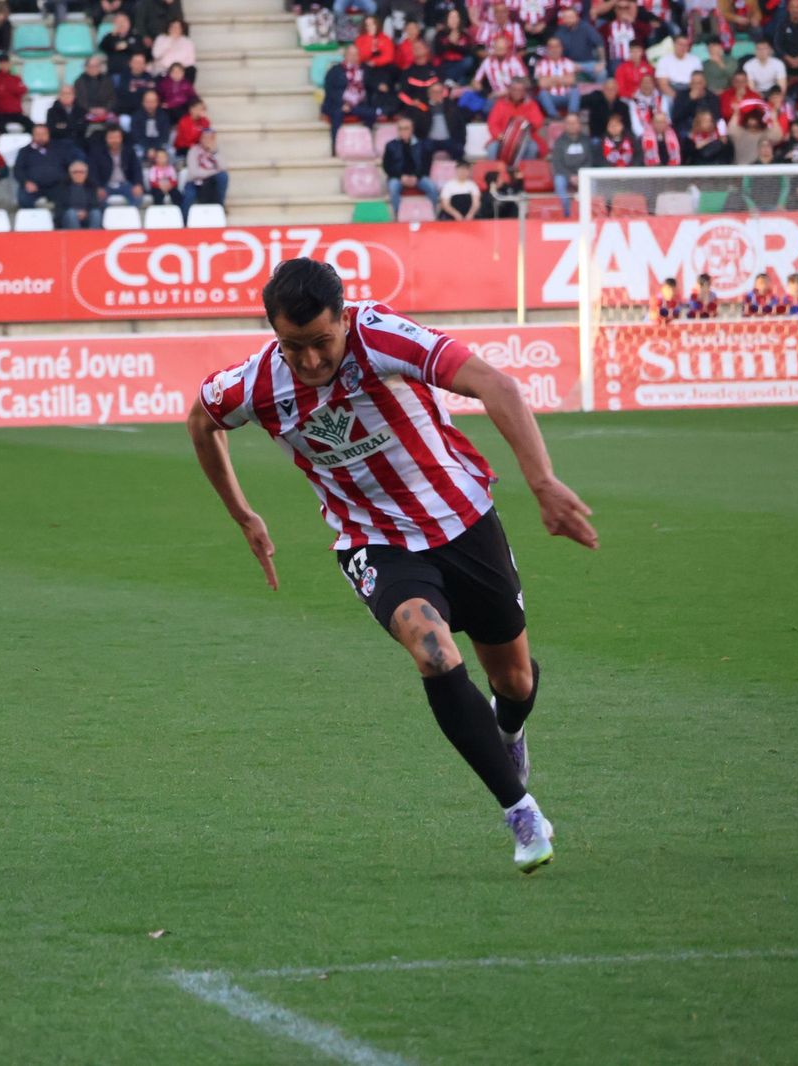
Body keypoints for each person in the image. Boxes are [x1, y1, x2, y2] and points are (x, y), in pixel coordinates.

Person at [186, 258, 597, 874]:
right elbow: (200, 420)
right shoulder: (255, 383)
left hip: (463, 519)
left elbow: (497, 385)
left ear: (344, 321)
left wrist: (541, 482)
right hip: (372, 540)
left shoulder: (383, 337)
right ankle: (520, 810)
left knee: (514, 682)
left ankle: (506, 735)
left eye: (321, 343)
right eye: (292, 346)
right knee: (431, 647)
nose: (309, 362)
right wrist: (243, 513)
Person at [382, 115, 436, 218]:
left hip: (418, 177)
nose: (403, 131)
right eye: (401, 129)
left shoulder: (422, 145)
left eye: (406, 128)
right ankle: (398, 215)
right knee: (393, 188)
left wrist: (417, 177)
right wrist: (401, 177)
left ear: (412, 129)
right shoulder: (391, 145)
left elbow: (427, 164)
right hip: (398, 177)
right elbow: (387, 166)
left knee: (432, 188)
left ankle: (431, 214)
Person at [12, 123, 65, 208]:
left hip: (55, 186)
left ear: (48, 135)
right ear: (33, 135)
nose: (41, 137)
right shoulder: (24, 151)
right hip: (33, 186)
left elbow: (67, 167)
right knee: (24, 199)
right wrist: (26, 182)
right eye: (38, 134)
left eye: (43, 134)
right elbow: (18, 170)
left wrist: (62, 180)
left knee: (66, 198)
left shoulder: (58, 150)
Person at [91, 125, 144, 208]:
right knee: (98, 200)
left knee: (138, 198)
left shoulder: (129, 151)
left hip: (125, 184)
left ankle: (127, 218)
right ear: (106, 139)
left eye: (117, 137)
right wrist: (98, 187)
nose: (114, 140)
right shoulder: (98, 153)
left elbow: (136, 169)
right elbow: (93, 172)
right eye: (111, 138)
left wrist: (137, 184)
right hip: (106, 185)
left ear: (121, 138)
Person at [549, 111, 590, 217]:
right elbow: (557, 164)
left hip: (583, 174)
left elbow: (589, 161)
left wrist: (581, 175)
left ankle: (587, 214)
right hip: (565, 174)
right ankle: (566, 214)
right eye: (569, 123)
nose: (571, 125)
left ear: (579, 124)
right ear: (565, 125)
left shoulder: (586, 140)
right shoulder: (559, 142)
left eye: (574, 122)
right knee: (559, 181)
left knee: (592, 183)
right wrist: (570, 177)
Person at [182, 128, 226, 216]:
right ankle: (185, 221)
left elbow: (223, 167)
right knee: (189, 195)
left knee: (223, 177)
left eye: (210, 138)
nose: (207, 140)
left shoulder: (216, 151)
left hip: (210, 182)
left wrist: (214, 153)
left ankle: (219, 209)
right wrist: (214, 171)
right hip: (195, 183)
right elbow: (194, 173)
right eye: (204, 137)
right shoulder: (193, 151)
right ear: (200, 139)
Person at [533, 38, 579, 119]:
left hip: (566, 96)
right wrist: (563, 79)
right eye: (551, 47)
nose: (554, 50)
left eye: (557, 46)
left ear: (561, 48)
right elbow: (542, 84)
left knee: (575, 90)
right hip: (550, 97)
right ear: (547, 49)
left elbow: (572, 81)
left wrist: (551, 79)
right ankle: (554, 116)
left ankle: (572, 115)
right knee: (542, 93)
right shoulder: (541, 64)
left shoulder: (568, 62)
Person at [54, 158, 102, 229]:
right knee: (71, 213)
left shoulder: (92, 186)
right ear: (70, 173)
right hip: (68, 218)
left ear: (86, 173)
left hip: (87, 215)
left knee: (96, 213)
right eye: (75, 172)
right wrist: (76, 212)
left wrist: (86, 212)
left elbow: (95, 204)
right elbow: (59, 207)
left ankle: (94, 237)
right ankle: (76, 239)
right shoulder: (62, 187)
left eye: (81, 172)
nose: (78, 174)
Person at [0, 57, 28, 132]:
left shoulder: (16, 78)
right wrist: (13, 89)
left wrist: (4, 88)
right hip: (1, 113)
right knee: (2, 130)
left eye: (6, 63)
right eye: (2, 63)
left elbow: (23, 90)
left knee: (31, 126)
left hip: (16, 112)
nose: (4, 66)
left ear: (9, 65)